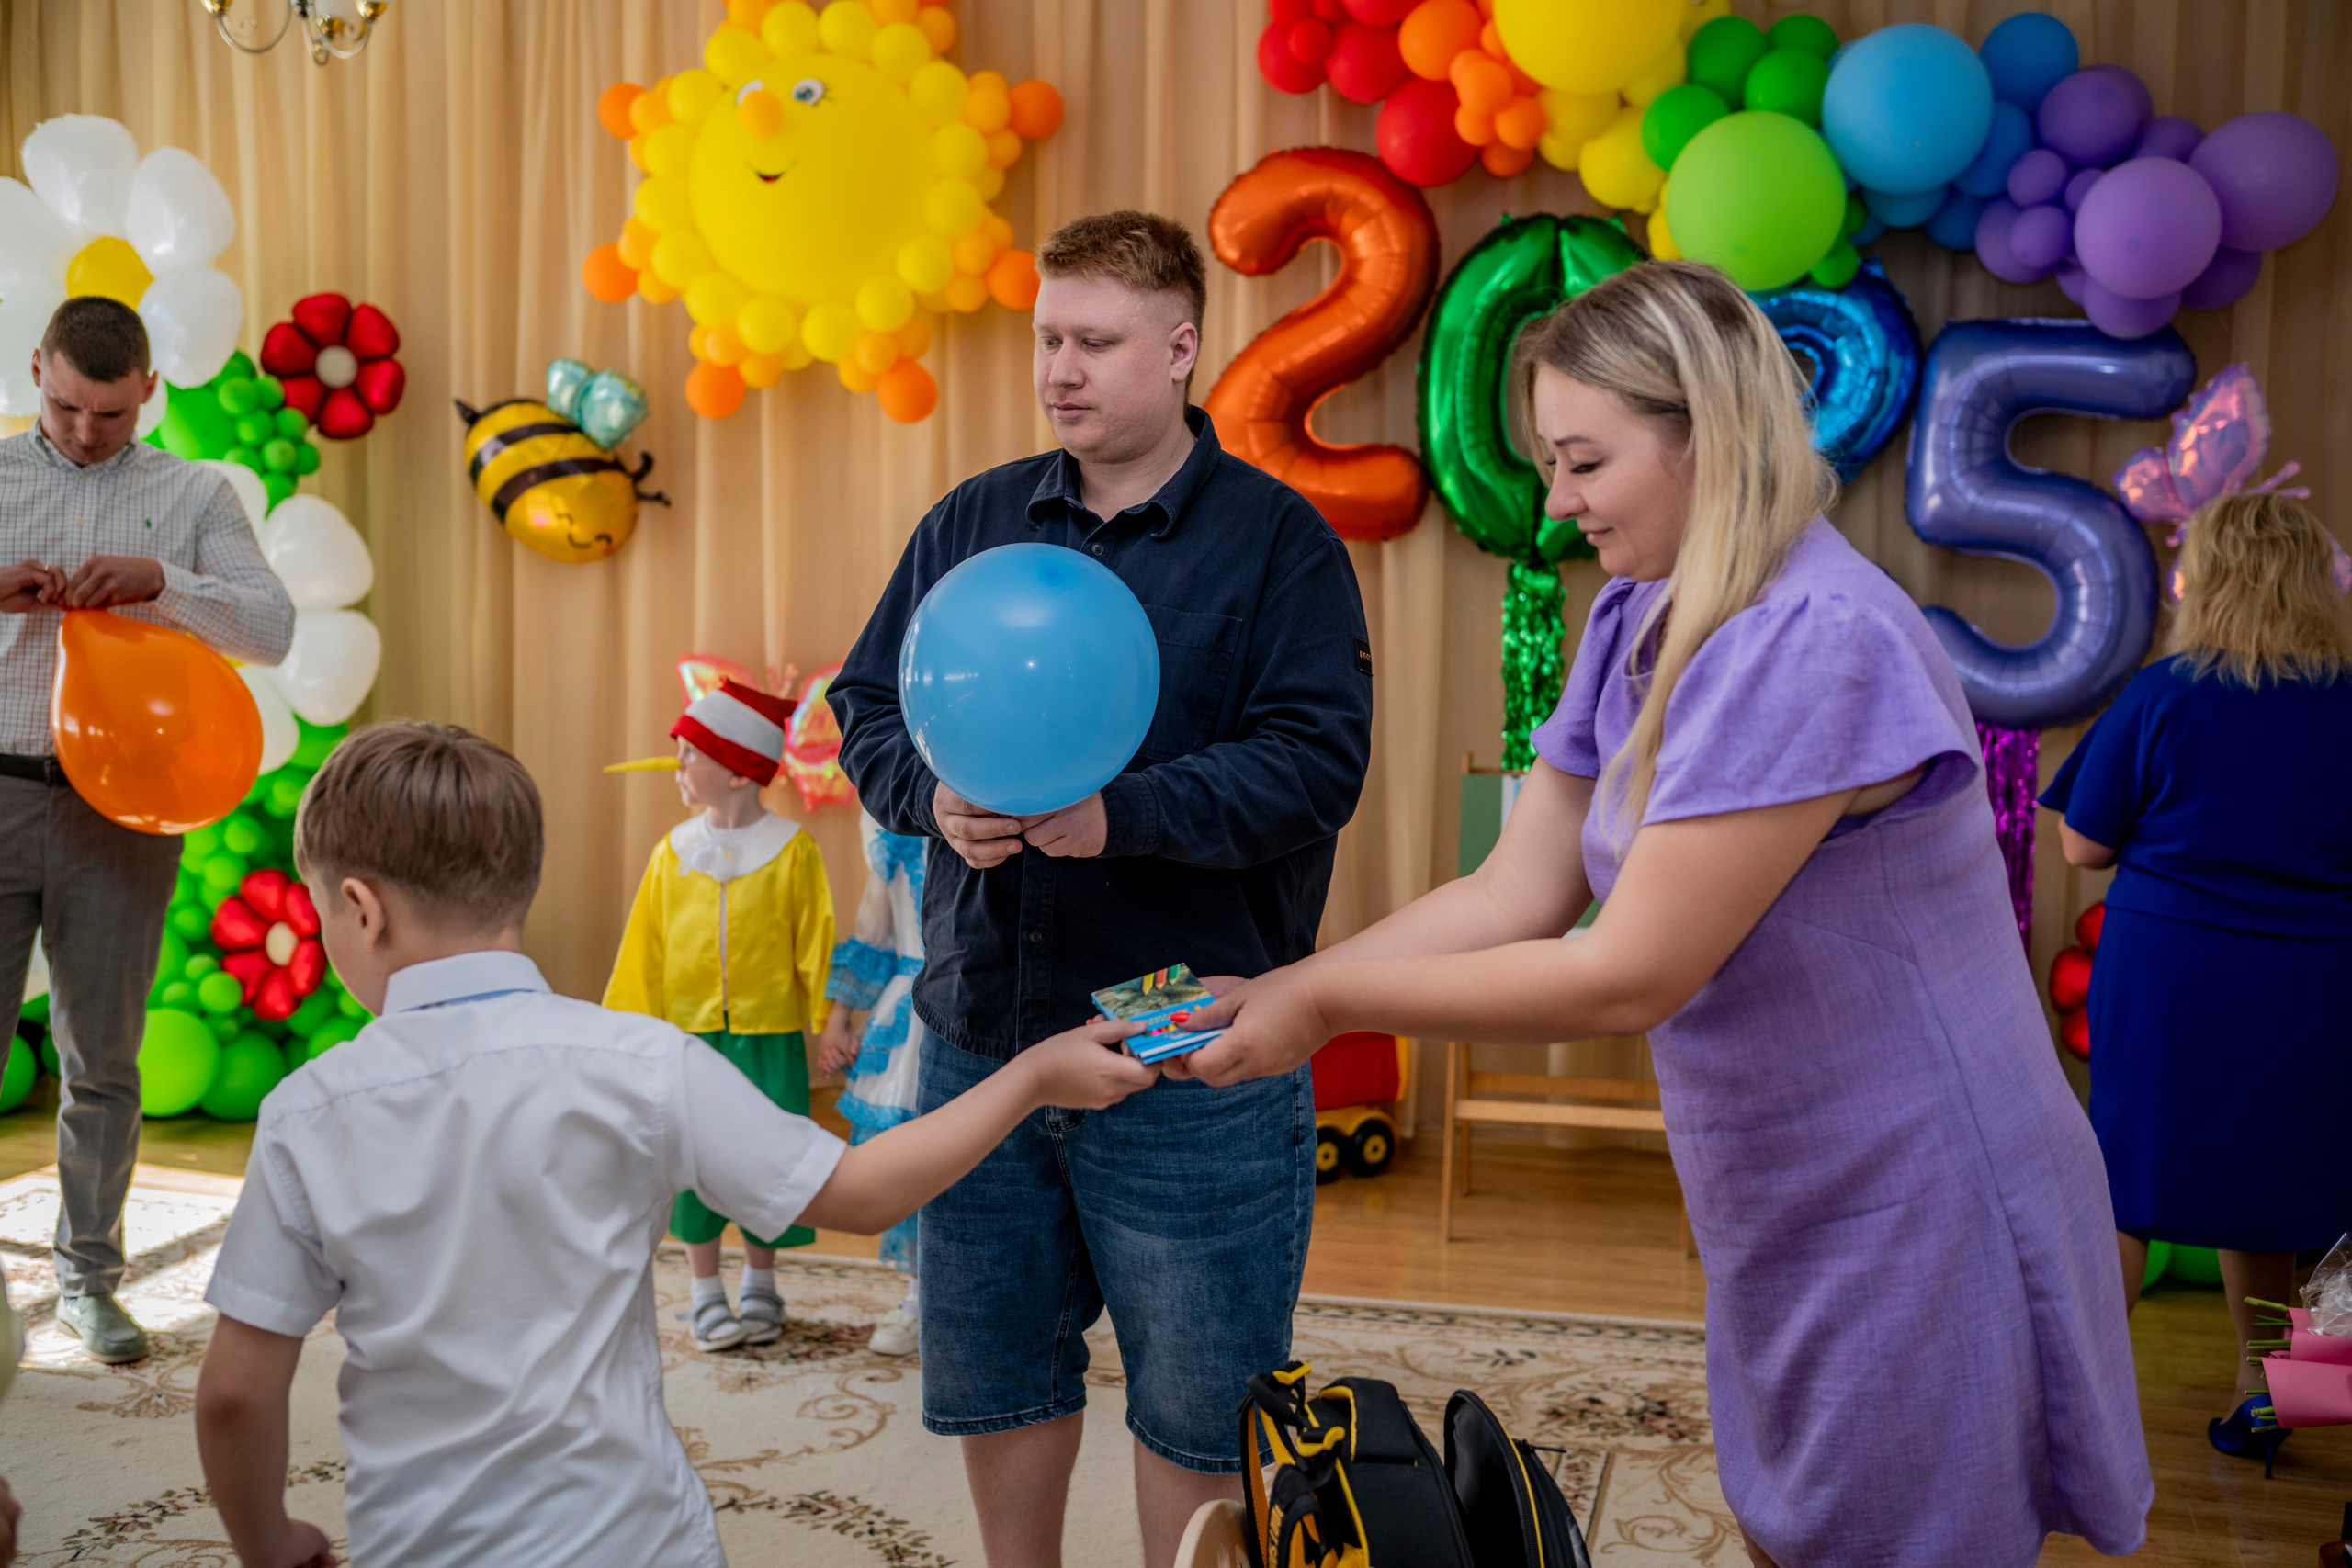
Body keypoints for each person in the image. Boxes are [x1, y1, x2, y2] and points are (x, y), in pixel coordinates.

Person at [1182, 262, 2150, 1568]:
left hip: (1921, 1184)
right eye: (1549, 461)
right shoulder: (1639, 611)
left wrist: (1322, 1004)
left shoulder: (1814, 637)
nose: (1558, 501)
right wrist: (1283, 980)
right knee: (1792, 1521)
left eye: (1584, 460)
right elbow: (1516, 888)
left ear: (1710, 434)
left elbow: (1625, 970)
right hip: (1789, 1171)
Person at [193, 721, 1157, 1568]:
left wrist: (270, 1542)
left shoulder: (306, 1112)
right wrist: (1031, 1076)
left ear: (360, 909)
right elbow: (863, 1194)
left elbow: (235, 1397)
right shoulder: (639, 1061)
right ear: (520, 879)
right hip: (637, 1538)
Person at [830, 210, 1373, 1568]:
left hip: (1185, 1041)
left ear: (1181, 348)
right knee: (998, 1366)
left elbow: (1316, 764)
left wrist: (1117, 813)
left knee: (1203, 1404)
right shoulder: (972, 519)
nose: (1058, 370)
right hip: (983, 1034)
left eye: (1094, 341)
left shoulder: (1279, 544)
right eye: (1045, 341)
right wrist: (927, 793)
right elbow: (867, 705)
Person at [0, 297, 294, 1366]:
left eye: (112, 414)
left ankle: (89, 1280)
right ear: (36, 369)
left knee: (104, 1059)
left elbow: (272, 629)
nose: (85, 431)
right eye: (68, 405)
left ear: (150, 392)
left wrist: (163, 586)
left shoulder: (193, 495)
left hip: (123, 812)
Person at [2041, 490, 2352, 1469]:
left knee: (2129, 1187)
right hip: (2319, 980)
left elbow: (2082, 846)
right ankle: (2280, 1392)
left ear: (2209, 581)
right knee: (2300, 1194)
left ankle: (2055, 1408)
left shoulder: (2166, 692)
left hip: (2173, 979)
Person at [605, 678, 836, 1352]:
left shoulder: (793, 850)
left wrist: (830, 1019)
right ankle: (706, 1291)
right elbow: (642, 948)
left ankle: (761, 1282)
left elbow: (814, 937)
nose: (676, 768)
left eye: (689, 756)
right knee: (690, 1162)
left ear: (738, 769)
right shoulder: (671, 853)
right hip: (687, 1037)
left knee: (772, 1158)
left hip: (770, 1038)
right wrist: (628, 1030)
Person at [815, 807, 931, 1355]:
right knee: (912, 1157)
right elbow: (876, 935)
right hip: (909, 1012)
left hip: (984, 1004)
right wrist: (839, 1017)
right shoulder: (895, 836)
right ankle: (918, 1296)